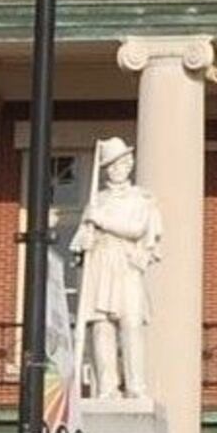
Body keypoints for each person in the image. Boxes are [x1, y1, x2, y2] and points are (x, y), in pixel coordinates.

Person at [68, 137, 163, 407]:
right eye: (110, 165)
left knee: (130, 324)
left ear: (129, 163)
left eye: (121, 163)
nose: (116, 169)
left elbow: (136, 229)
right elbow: (78, 242)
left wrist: (101, 220)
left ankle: (136, 386)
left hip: (126, 263)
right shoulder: (95, 201)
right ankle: (107, 387)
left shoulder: (140, 199)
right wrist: (83, 240)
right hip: (100, 263)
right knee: (101, 327)